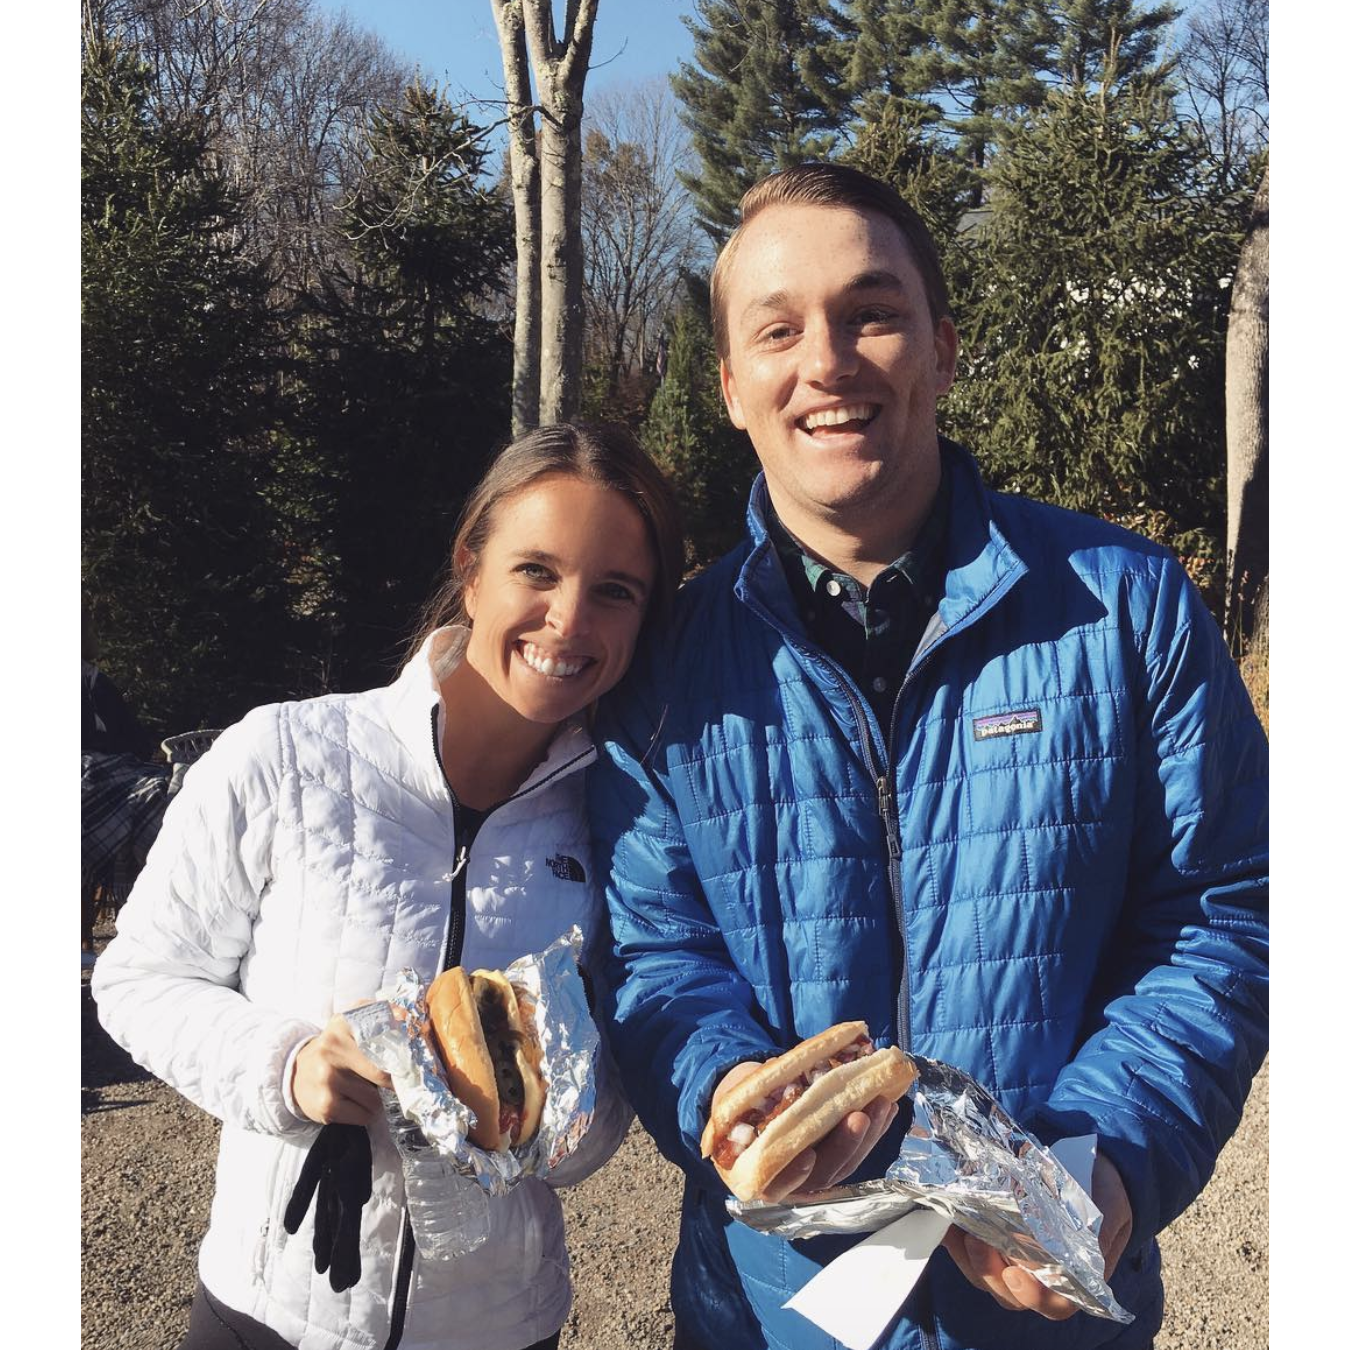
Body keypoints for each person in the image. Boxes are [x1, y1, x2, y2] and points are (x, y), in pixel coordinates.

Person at [588, 164, 1268, 1350]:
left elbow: (1224, 912)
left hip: (1047, 1306)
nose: (830, 361)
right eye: (779, 329)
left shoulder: (1130, 609)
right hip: (771, 1309)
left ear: (943, 350)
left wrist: (1104, 1161)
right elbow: (655, 948)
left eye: (873, 314)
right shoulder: (664, 659)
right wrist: (728, 1095)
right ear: (732, 385)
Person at [93, 422, 685, 1350]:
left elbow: (599, 1123)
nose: (570, 620)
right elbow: (135, 978)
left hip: (499, 1325)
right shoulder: (288, 756)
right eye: (537, 569)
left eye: (614, 591)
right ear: (471, 567)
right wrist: (285, 1067)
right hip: (274, 1314)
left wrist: (558, 1118)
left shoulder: (622, 822)